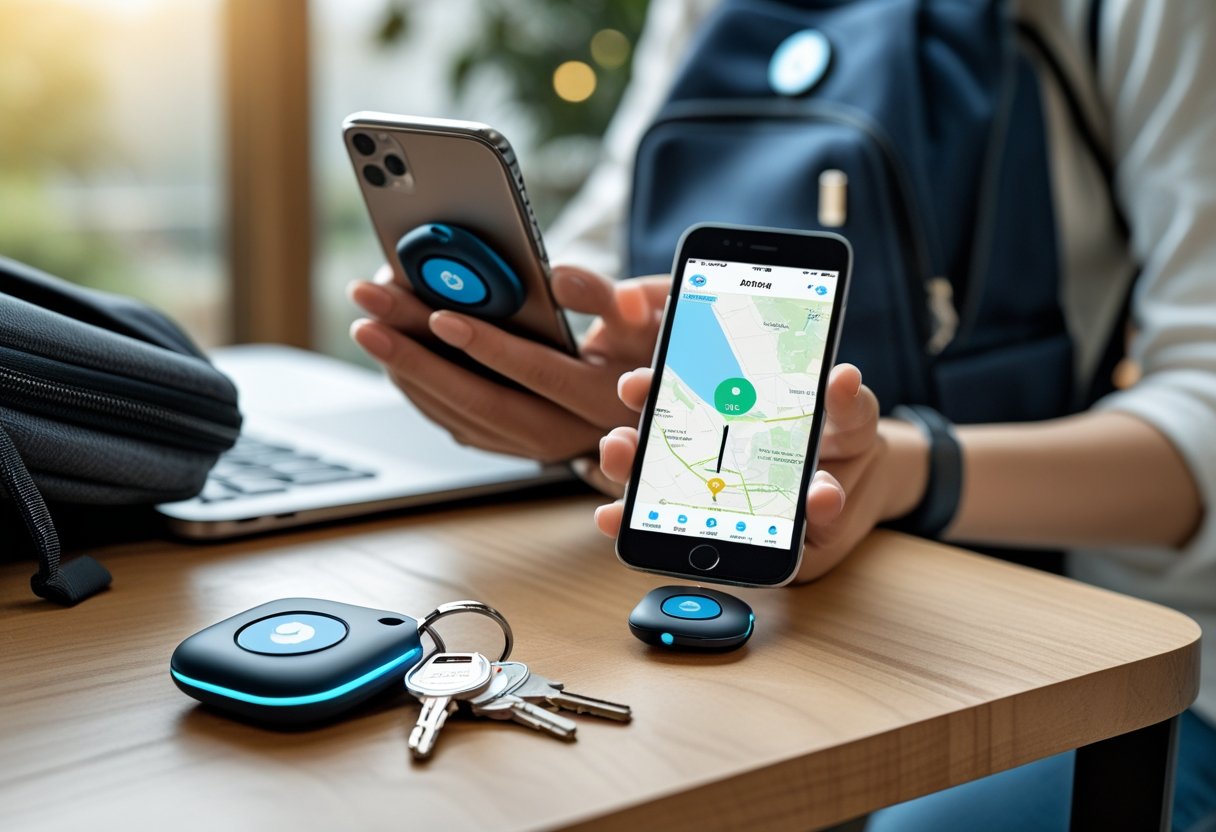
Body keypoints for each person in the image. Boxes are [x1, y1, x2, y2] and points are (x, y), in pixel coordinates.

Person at [348, 0, 1216, 828]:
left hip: (1107, 635)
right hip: (769, 574)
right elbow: (606, 258)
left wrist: (912, 470)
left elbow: (1203, 413)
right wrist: (564, 381)